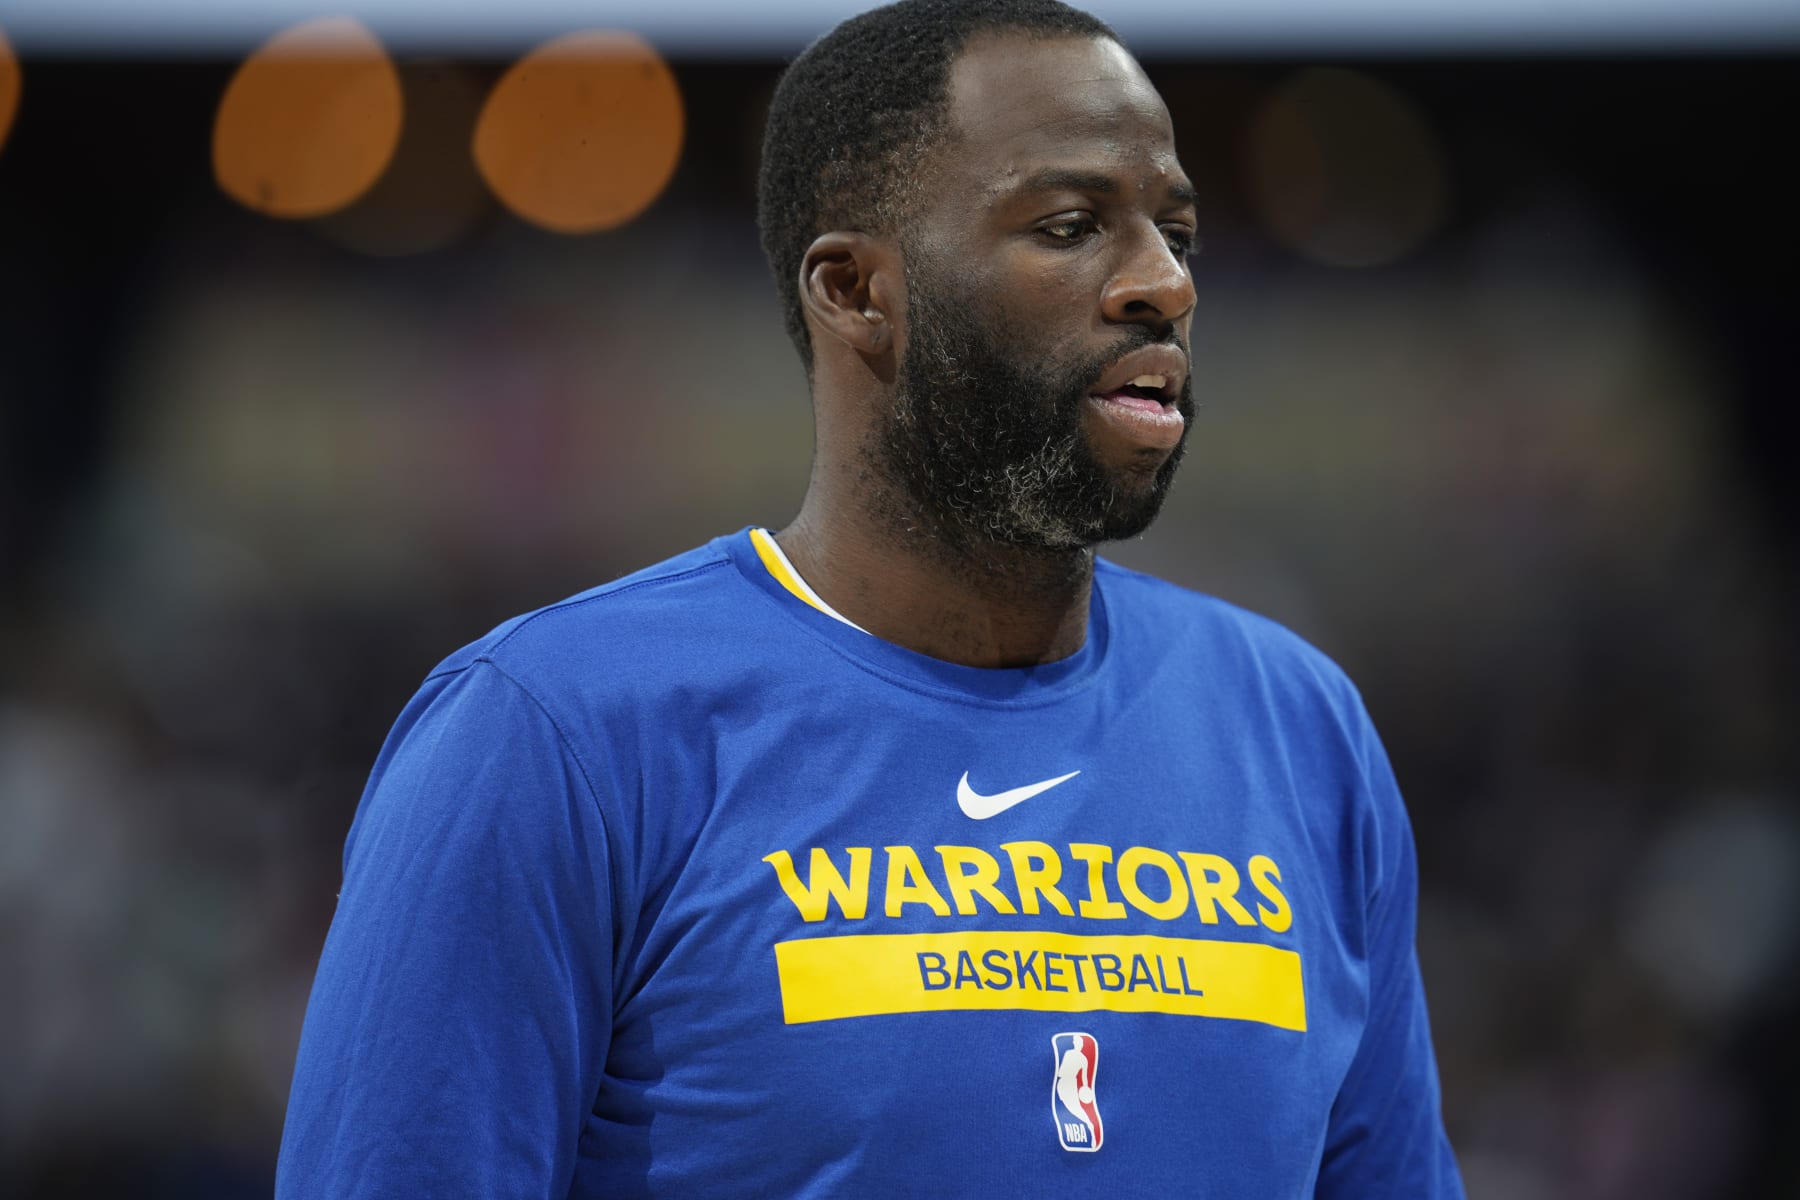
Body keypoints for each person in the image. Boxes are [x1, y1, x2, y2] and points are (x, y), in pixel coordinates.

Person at [276, 0, 1465, 1195]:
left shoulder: (1300, 729)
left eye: (1177, 231)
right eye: (1070, 226)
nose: (1164, 284)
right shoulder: (551, 734)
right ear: (854, 291)